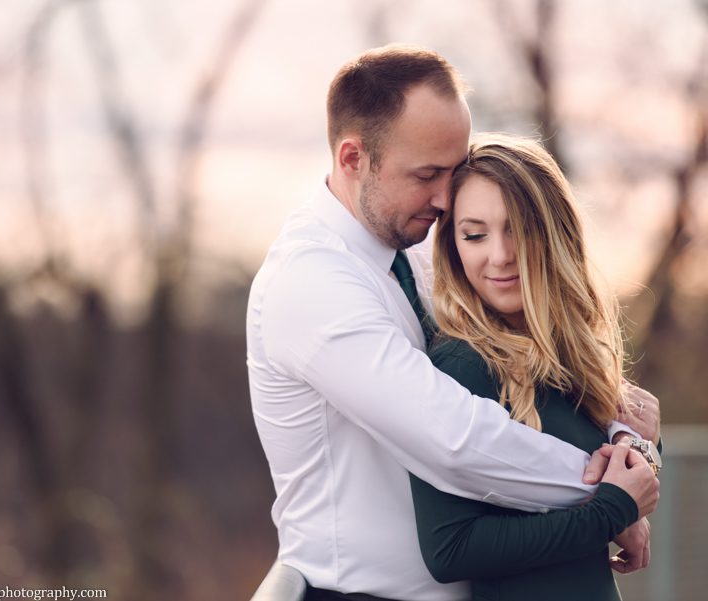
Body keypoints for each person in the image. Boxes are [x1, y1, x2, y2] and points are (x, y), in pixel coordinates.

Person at [246, 44, 660, 601]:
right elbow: (457, 438)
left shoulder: (415, 249)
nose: (446, 198)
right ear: (352, 159)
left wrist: (627, 441)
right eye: (427, 174)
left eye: (454, 168)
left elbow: (546, 372)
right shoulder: (309, 284)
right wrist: (612, 494)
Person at [409, 133, 663, 600]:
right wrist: (612, 511)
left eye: (517, 229)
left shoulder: (572, 354)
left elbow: (627, 449)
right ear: (452, 245)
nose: (500, 255)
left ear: (553, 233)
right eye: (475, 234)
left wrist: (639, 445)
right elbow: (449, 548)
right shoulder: (461, 365)